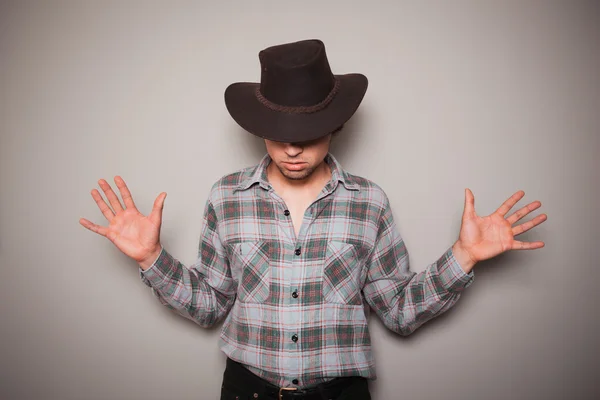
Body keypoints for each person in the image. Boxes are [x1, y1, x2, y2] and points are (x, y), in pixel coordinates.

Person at [79, 39, 547, 400]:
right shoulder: (226, 197)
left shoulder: (370, 202)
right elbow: (209, 306)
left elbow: (400, 313)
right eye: (280, 133)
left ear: (335, 125)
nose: (293, 148)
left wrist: (464, 256)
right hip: (249, 391)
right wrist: (152, 257)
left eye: (308, 132)